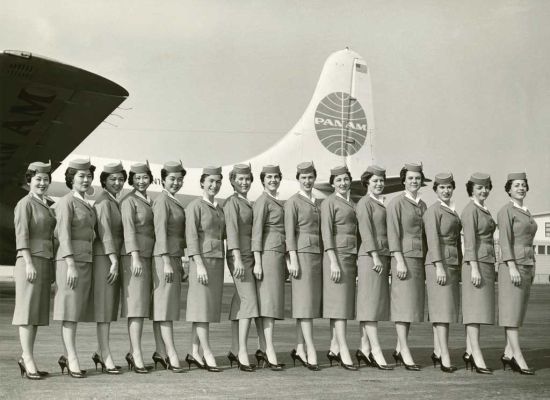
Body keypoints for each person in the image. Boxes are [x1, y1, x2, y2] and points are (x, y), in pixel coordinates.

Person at [53, 158, 97, 378]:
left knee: (75, 312)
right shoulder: (66, 202)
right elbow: (63, 235)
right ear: (71, 178)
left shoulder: (85, 204)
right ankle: (72, 358)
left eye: (89, 176)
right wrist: (70, 264)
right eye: (81, 175)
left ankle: (66, 355)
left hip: (84, 262)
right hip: (70, 263)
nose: (86, 179)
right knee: (69, 312)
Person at [13, 161, 56, 380]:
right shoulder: (25, 204)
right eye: (38, 179)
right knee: (27, 313)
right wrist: (28, 262)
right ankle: (28, 360)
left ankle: (26, 357)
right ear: (29, 180)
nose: (42, 183)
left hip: (44, 261)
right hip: (29, 262)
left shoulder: (47, 204)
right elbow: (22, 236)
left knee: (36, 314)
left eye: (46, 179)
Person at [387, 162, 427, 371]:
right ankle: (404, 350)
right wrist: (399, 260)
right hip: (404, 260)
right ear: (403, 180)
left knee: (410, 307)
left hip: (418, 259)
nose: (414, 181)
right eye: (410, 178)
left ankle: (398, 348)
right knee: (403, 307)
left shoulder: (422, 205)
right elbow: (393, 234)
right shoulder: (396, 203)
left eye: (417, 178)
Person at [185, 166, 225, 372]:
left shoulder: (219, 209)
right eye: (210, 181)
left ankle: (194, 352)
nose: (214, 185)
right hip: (202, 264)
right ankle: (207, 352)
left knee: (204, 310)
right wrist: (199, 265)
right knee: (201, 310)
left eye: (218, 181)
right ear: (202, 182)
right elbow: (191, 238)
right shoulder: (195, 206)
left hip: (216, 263)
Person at [497, 172, 537, 375]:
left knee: (518, 312)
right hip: (513, 267)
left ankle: (507, 353)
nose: (521, 188)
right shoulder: (506, 211)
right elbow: (504, 241)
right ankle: (517, 356)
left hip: (528, 265)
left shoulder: (527, 212)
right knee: (511, 313)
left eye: (523, 185)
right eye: (516, 185)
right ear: (509, 190)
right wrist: (511, 266)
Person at [285, 162, 322, 371]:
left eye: (310, 177)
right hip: (302, 257)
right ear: (298, 179)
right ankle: (310, 349)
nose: (307, 181)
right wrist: (293, 259)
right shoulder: (293, 202)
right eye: (303, 178)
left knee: (305, 306)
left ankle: (299, 348)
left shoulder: (316, 202)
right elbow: (290, 234)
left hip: (315, 256)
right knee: (305, 306)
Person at [423, 173, 462, 373]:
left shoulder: (451, 211)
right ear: (436, 190)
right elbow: (432, 240)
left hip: (452, 263)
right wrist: (438, 265)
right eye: (442, 188)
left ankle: (438, 351)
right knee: (442, 311)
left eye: (449, 187)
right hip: (438, 264)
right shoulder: (433, 211)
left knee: (444, 310)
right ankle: (444, 354)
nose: (446, 191)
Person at [355, 165, 393, 370]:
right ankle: (376, 350)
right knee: (370, 306)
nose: (379, 184)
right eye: (375, 181)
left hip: (380, 256)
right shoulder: (364, 204)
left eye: (381, 181)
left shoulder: (379, 203)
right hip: (371, 258)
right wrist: (375, 257)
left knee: (373, 304)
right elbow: (366, 232)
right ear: (367, 183)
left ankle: (364, 349)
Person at [151, 161, 187, 373]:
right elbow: (160, 232)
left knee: (162, 308)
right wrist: (166, 261)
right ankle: (171, 353)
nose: (176, 182)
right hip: (164, 258)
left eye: (179, 179)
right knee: (165, 308)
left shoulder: (172, 200)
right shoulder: (163, 200)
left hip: (172, 257)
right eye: (172, 179)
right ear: (163, 179)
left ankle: (160, 351)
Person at [321, 165, 358, 371]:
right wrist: (333, 261)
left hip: (349, 257)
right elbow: (327, 234)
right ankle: (343, 349)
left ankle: (334, 348)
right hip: (337, 258)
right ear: (332, 184)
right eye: (338, 181)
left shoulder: (351, 203)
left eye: (345, 179)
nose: (343, 183)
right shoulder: (329, 202)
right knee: (339, 306)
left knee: (342, 304)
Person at [92, 161, 126, 374]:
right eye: (113, 179)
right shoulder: (104, 203)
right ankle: (105, 355)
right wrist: (114, 260)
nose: (117, 182)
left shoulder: (113, 201)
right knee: (104, 310)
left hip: (110, 258)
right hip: (106, 259)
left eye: (121, 179)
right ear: (104, 181)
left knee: (108, 309)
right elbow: (105, 234)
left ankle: (100, 351)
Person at [120, 162, 155, 374]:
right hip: (136, 258)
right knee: (136, 307)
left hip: (148, 256)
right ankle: (136, 353)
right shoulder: (129, 201)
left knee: (142, 307)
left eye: (145, 177)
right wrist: (134, 257)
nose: (141, 181)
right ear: (131, 179)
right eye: (137, 178)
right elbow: (129, 231)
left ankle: (135, 351)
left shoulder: (149, 200)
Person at [224, 164, 258, 372]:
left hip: (249, 255)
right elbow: (232, 232)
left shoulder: (247, 202)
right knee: (249, 301)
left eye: (247, 179)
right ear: (233, 181)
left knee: (240, 301)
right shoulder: (232, 203)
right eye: (240, 179)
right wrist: (236, 258)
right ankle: (243, 352)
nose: (244, 182)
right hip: (239, 256)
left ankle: (234, 348)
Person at [461, 172, 496, 374]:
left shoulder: (483, 209)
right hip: (476, 264)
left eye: (486, 187)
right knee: (474, 312)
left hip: (486, 262)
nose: (484, 191)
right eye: (480, 188)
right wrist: (473, 266)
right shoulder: (470, 210)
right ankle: (476, 354)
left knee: (479, 309)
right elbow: (470, 241)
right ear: (471, 190)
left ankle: (469, 351)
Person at [252, 165, 286, 370]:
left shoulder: (274, 201)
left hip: (277, 255)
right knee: (268, 304)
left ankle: (263, 347)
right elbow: (257, 233)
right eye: (269, 177)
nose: (273, 180)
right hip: (267, 256)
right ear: (263, 181)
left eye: (276, 177)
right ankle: (268, 349)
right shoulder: (263, 201)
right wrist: (257, 260)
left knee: (269, 304)